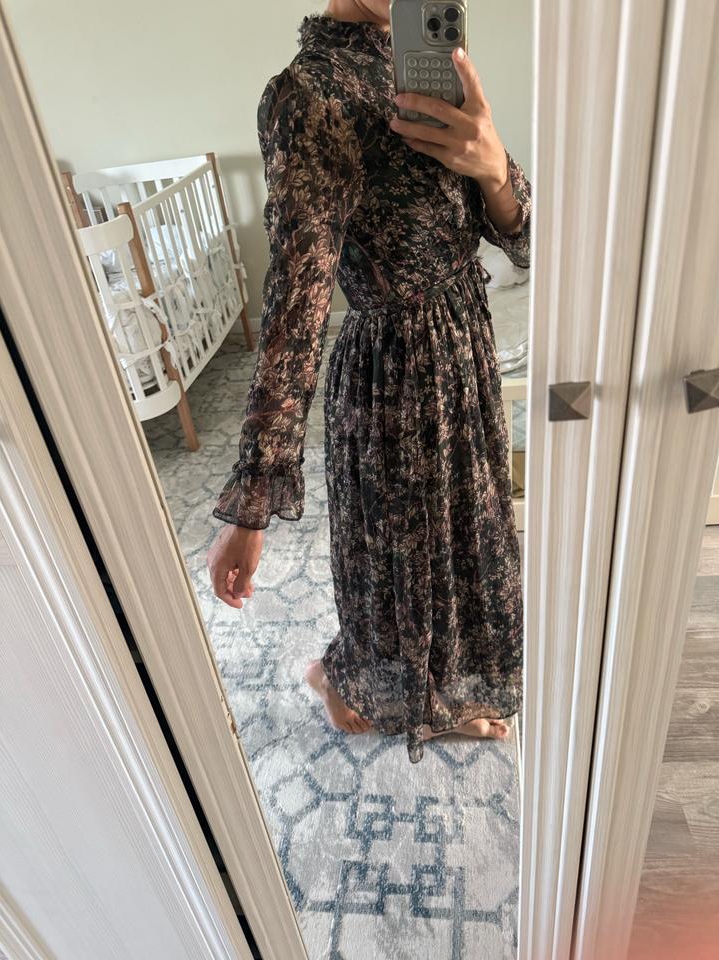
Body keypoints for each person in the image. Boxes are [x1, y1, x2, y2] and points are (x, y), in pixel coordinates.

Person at [207, 0, 531, 764]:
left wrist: (494, 167)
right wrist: (252, 503)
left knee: (467, 546)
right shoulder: (305, 96)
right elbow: (298, 303)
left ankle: (436, 693)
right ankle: (346, 686)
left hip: (465, 348)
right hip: (394, 378)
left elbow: (525, 240)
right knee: (397, 570)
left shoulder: (430, 58)